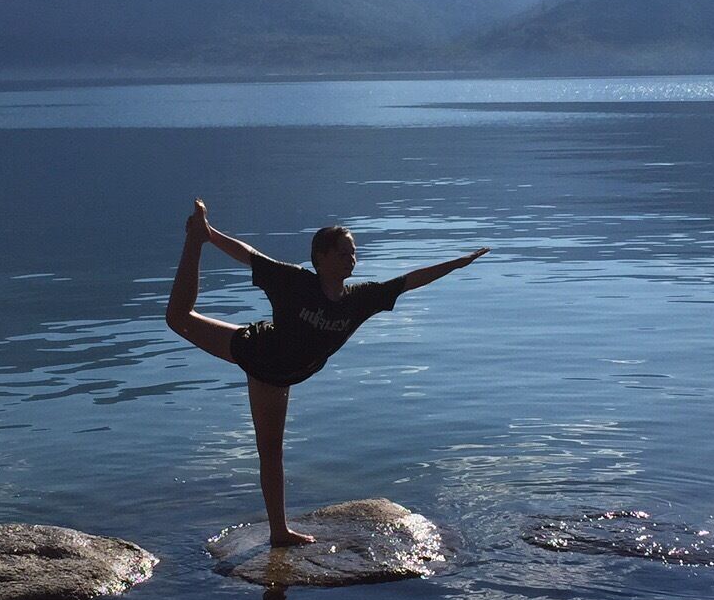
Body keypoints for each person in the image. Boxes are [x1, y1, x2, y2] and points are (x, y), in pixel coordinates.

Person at [165, 198, 488, 546]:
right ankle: (194, 238)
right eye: (343, 253)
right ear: (321, 257)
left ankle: (279, 531)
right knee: (179, 320)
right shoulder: (295, 282)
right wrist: (210, 235)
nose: (352, 259)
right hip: (260, 356)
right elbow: (249, 255)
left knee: (272, 450)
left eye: (354, 253)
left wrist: (458, 263)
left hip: (287, 372)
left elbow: (408, 281)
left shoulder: (359, 299)